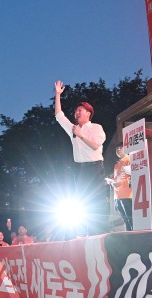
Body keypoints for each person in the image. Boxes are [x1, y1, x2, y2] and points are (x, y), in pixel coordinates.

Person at [54, 80, 107, 235]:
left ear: (88, 114)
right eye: (76, 111)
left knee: (97, 203)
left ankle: (101, 236)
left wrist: (81, 135)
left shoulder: (96, 127)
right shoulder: (73, 129)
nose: (76, 113)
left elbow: (96, 146)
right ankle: (83, 236)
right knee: (81, 204)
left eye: (80, 111)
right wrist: (58, 94)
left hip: (95, 168)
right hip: (79, 170)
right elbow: (59, 115)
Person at [107, 144, 133, 231]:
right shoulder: (117, 165)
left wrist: (120, 184)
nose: (118, 149)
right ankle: (130, 239)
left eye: (121, 147)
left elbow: (130, 178)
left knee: (130, 219)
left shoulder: (128, 160)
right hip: (117, 196)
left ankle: (134, 240)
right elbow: (117, 178)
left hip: (126, 195)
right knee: (126, 220)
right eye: (117, 148)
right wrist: (111, 181)